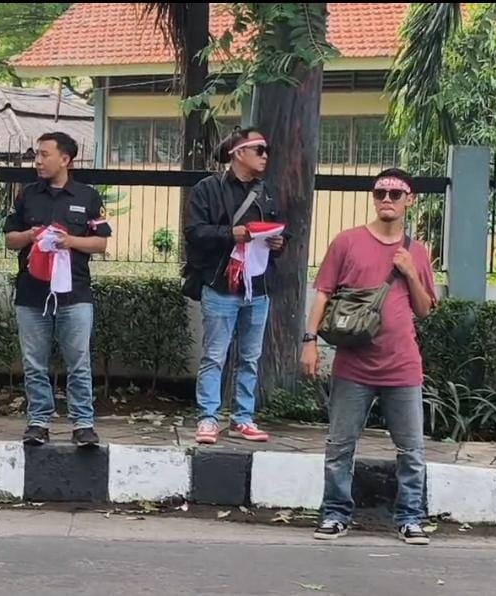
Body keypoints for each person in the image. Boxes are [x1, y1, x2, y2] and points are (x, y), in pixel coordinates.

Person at [301, 167, 437, 545]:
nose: (387, 200)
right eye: (381, 193)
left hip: (402, 365)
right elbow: (324, 293)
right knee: (339, 445)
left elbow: (425, 309)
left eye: (396, 194)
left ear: (410, 199)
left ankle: (410, 517)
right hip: (353, 364)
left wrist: (410, 273)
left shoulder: (417, 252)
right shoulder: (347, 242)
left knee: (411, 449)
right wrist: (309, 341)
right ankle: (334, 514)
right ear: (373, 198)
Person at [2, 131, 112, 448]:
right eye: (36, 154)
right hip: (32, 293)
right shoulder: (27, 195)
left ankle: (83, 424)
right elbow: (10, 240)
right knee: (34, 363)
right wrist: (31, 235)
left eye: (45, 154)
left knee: (78, 362)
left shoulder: (87, 197)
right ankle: (38, 422)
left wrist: (70, 241)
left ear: (65, 159)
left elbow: (101, 243)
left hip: (74, 294)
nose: (38, 161)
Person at [182, 127, 288, 445]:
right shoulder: (207, 189)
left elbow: (280, 229)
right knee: (215, 354)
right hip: (221, 285)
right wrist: (232, 234)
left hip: (258, 287)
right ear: (239, 152)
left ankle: (243, 418)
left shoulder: (266, 192)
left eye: (266, 150)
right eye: (260, 149)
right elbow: (194, 232)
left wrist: (280, 242)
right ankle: (208, 418)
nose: (265, 156)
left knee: (250, 357)